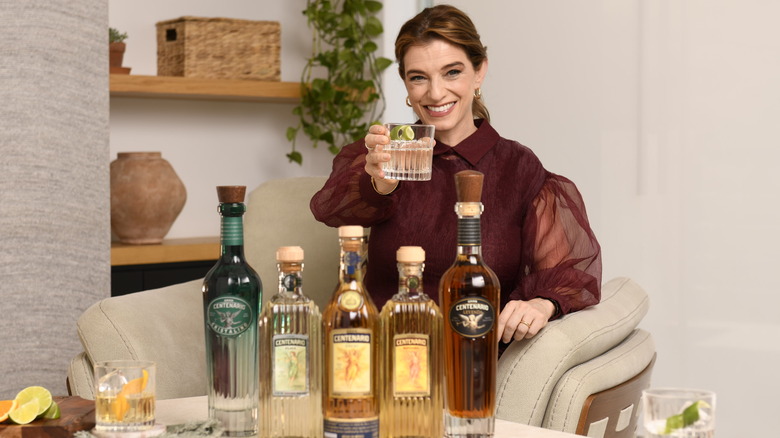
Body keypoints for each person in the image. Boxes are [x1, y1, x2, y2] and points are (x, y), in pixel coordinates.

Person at [310, 4, 601, 349]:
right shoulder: (387, 152)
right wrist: (378, 185)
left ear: (479, 73)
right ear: (405, 82)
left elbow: (572, 274)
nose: (435, 93)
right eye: (419, 77)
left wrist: (541, 303)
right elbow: (329, 210)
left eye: (452, 72)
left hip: (470, 366)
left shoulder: (517, 167)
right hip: (381, 359)